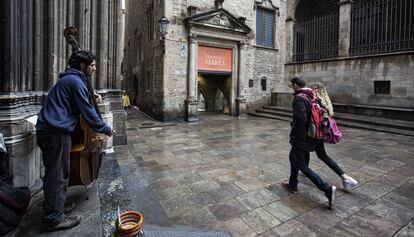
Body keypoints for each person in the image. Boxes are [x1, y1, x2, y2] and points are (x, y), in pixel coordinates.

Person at [36, 50, 113, 231]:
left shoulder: (70, 80)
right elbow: (88, 112)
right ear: (82, 66)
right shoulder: (76, 82)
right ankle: (53, 218)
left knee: (56, 173)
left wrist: (90, 96)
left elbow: (75, 99)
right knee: (58, 175)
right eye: (92, 65)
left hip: (49, 130)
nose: (94, 68)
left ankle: (56, 207)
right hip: (55, 132)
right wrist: (106, 129)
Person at [280, 76, 337, 209]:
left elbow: (301, 119)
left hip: (302, 137)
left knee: (297, 161)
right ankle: (293, 184)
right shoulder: (312, 96)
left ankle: (326, 188)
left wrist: (295, 136)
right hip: (313, 135)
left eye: (292, 85)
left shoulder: (299, 98)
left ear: (295, 85)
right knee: (295, 159)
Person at [305, 82, 358, 192]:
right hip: (320, 133)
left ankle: (345, 178)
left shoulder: (317, 101)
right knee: (313, 152)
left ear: (315, 89)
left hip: (315, 133)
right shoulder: (325, 101)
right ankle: (304, 169)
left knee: (321, 155)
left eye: (312, 89)